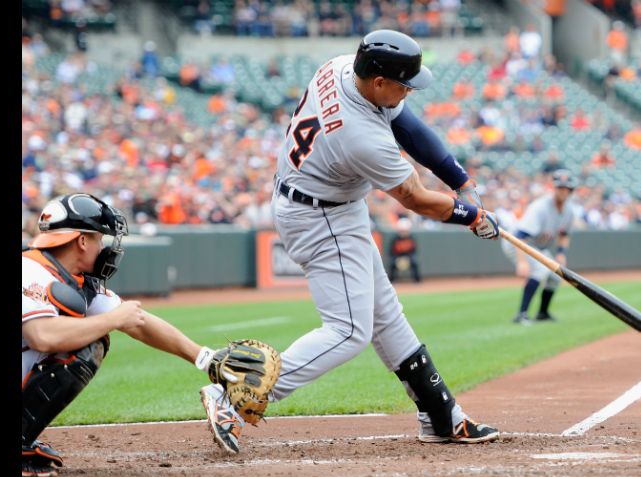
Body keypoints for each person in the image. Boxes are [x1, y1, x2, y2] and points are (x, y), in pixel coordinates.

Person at [200, 29, 501, 453]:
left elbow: (410, 128)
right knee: (349, 330)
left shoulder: (345, 67)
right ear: (379, 83)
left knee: (384, 313)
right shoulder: (360, 134)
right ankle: (233, 396)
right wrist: (472, 216)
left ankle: (440, 414)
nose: (409, 93)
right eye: (404, 85)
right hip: (320, 215)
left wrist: (462, 183)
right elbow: (415, 197)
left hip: (323, 200)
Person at [22, 193, 228, 477]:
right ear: (82, 241)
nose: (103, 246)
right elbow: (41, 335)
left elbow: (139, 322)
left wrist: (207, 359)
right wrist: (112, 320)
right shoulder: (29, 270)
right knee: (86, 343)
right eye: (99, 238)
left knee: (92, 337)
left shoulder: (73, 280)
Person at [502, 170, 579, 324]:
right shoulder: (540, 207)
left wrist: (561, 253)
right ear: (554, 188)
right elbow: (520, 236)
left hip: (537, 247)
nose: (563, 191)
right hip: (517, 243)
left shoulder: (569, 210)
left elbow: (564, 234)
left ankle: (543, 313)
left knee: (557, 275)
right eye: (560, 187)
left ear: (571, 191)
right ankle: (521, 314)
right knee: (540, 269)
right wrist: (522, 261)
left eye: (566, 188)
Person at [389, 218, 421, 283]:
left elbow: (414, 251)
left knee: (414, 261)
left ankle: (417, 280)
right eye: (402, 231)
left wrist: (407, 258)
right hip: (397, 257)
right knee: (392, 263)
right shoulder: (395, 239)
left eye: (405, 231)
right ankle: (391, 280)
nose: (404, 233)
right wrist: (398, 259)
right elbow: (391, 252)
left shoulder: (411, 238)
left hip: (408, 257)